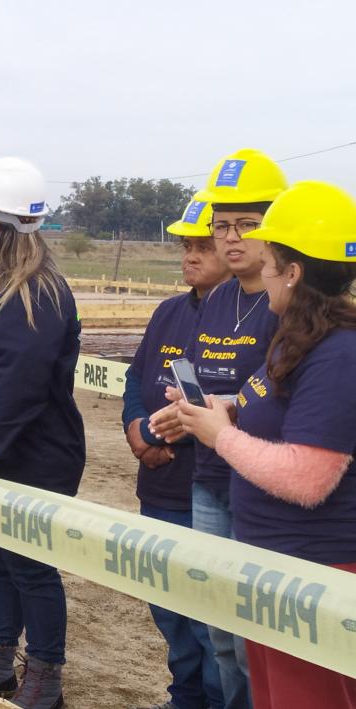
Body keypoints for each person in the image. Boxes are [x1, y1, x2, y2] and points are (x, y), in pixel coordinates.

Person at [174, 180, 356, 709]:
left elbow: (307, 478)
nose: (261, 268)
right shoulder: (297, 337)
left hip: (313, 577)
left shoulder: (337, 352)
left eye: (270, 257)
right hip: (277, 565)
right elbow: (276, 412)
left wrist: (220, 435)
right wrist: (228, 409)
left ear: (293, 271)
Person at [150, 148, 287, 709]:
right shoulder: (220, 296)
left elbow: (282, 391)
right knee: (221, 630)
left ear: (274, 226)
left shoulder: (287, 301)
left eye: (246, 225)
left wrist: (221, 410)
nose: (231, 239)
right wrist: (185, 404)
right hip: (208, 477)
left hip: (260, 484)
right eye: (221, 225)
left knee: (259, 634)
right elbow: (203, 373)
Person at [0, 157, 84, 709]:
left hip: (30, 457)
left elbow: (19, 386)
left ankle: (45, 675)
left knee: (30, 566)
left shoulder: (40, 294)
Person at [123, 199, 229, 709]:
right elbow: (134, 379)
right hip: (160, 485)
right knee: (167, 604)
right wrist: (139, 432)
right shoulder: (168, 312)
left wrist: (168, 436)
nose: (190, 256)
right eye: (186, 246)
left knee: (211, 614)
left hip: (204, 484)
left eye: (201, 246)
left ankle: (213, 698)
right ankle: (184, 695)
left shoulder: (242, 320)